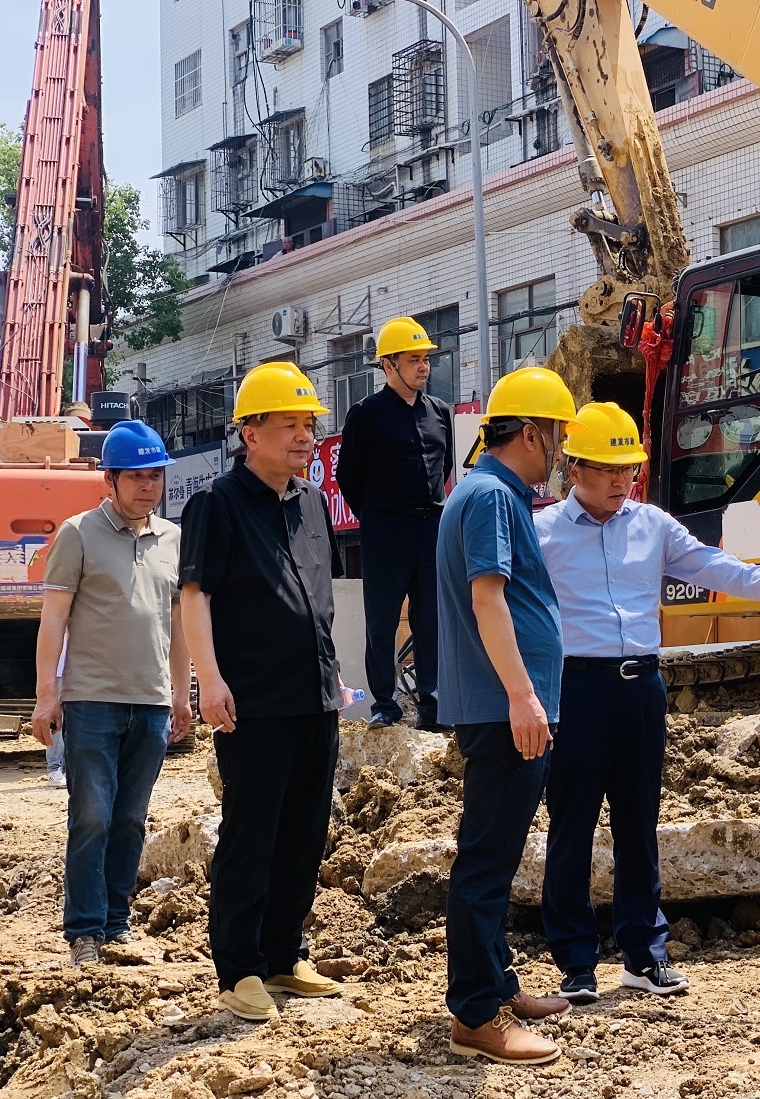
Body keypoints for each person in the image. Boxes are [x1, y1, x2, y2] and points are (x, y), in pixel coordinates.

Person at [535, 402, 760, 1002]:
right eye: (608, 468)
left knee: (638, 822)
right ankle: (575, 962)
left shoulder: (653, 525)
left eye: (628, 469)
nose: (622, 480)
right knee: (571, 824)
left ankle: (644, 956)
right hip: (576, 687)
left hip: (642, 687)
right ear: (574, 468)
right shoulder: (542, 532)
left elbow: (711, 565)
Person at [179, 363, 348, 1021]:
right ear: (250, 433)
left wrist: (333, 671)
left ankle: (283, 954)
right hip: (254, 701)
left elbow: (316, 600)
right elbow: (196, 596)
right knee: (253, 834)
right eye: (290, 425)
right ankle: (239, 967)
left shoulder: (311, 502)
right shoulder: (217, 504)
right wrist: (209, 678)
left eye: (309, 424)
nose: (305, 436)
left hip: (315, 696)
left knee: (305, 832)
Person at [438, 367, 579, 1065]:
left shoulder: (491, 493)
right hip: (503, 709)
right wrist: (523, 695)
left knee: (494, 852)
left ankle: (496, 983)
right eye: (556, 436)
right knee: (488, 860)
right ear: (530, 433)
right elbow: (488, 598)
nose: (561, 451)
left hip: (504, 705)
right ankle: (475, 1013)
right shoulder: (492, 495)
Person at [30, 420, 192, 968]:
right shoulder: (78, 534)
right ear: (111, 480)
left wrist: (181, 694)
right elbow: (53, 619)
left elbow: (178, 623)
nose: (149, 486)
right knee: (92, 816)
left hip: (151, 702)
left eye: (156, 476)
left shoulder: (172, 539)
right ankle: (84, 931)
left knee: (130, 819)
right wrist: (46, 695)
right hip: (91, 700)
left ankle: (117, 924)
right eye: (137, 477)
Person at [337, 317, 454, 732]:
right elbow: (348, 476)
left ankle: (432, 703)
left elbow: (445, 467)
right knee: (382, 620)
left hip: (431, 526)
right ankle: (384, 703)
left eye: (425, 359)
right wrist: (375, 515)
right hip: (386, 528)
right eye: (413, 359)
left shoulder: (440, 412)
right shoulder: (366, 414)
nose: (423, 367)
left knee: (430, 618)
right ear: (389, 365)